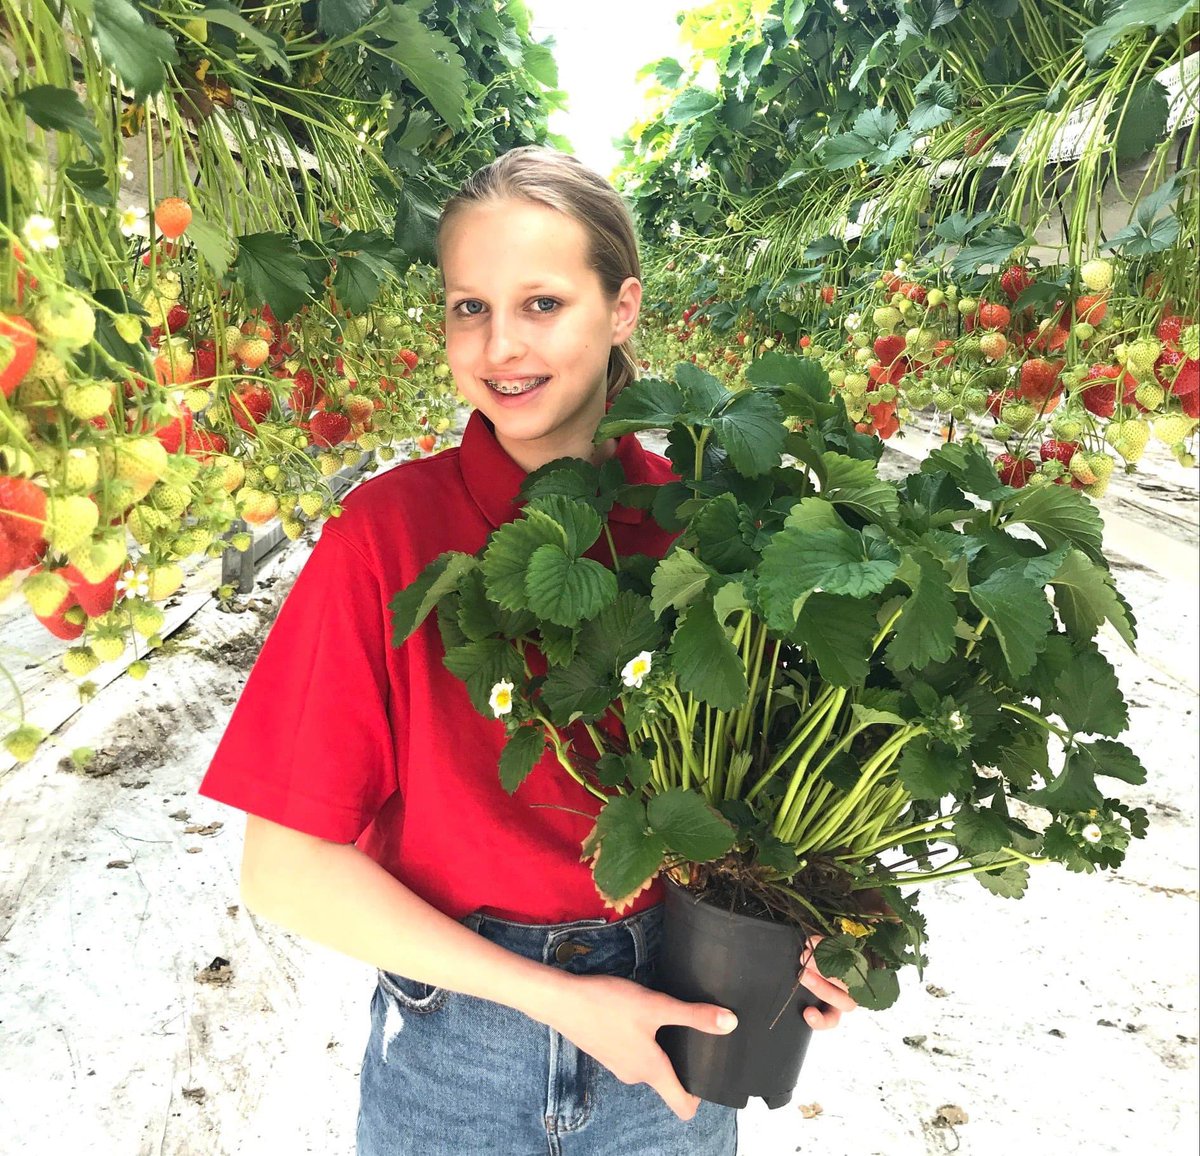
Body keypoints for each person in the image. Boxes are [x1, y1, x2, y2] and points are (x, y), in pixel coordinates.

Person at [198, 146, 856, 1156]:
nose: (499, 343)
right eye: (470, 306)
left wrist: (800, 941)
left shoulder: (710, 531)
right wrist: (560, 999)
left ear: (622, 308)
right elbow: (283, 868)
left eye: (542, 303)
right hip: (458, 1049)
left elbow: (768, 818)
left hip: (677, 1031)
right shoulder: (387, 534)